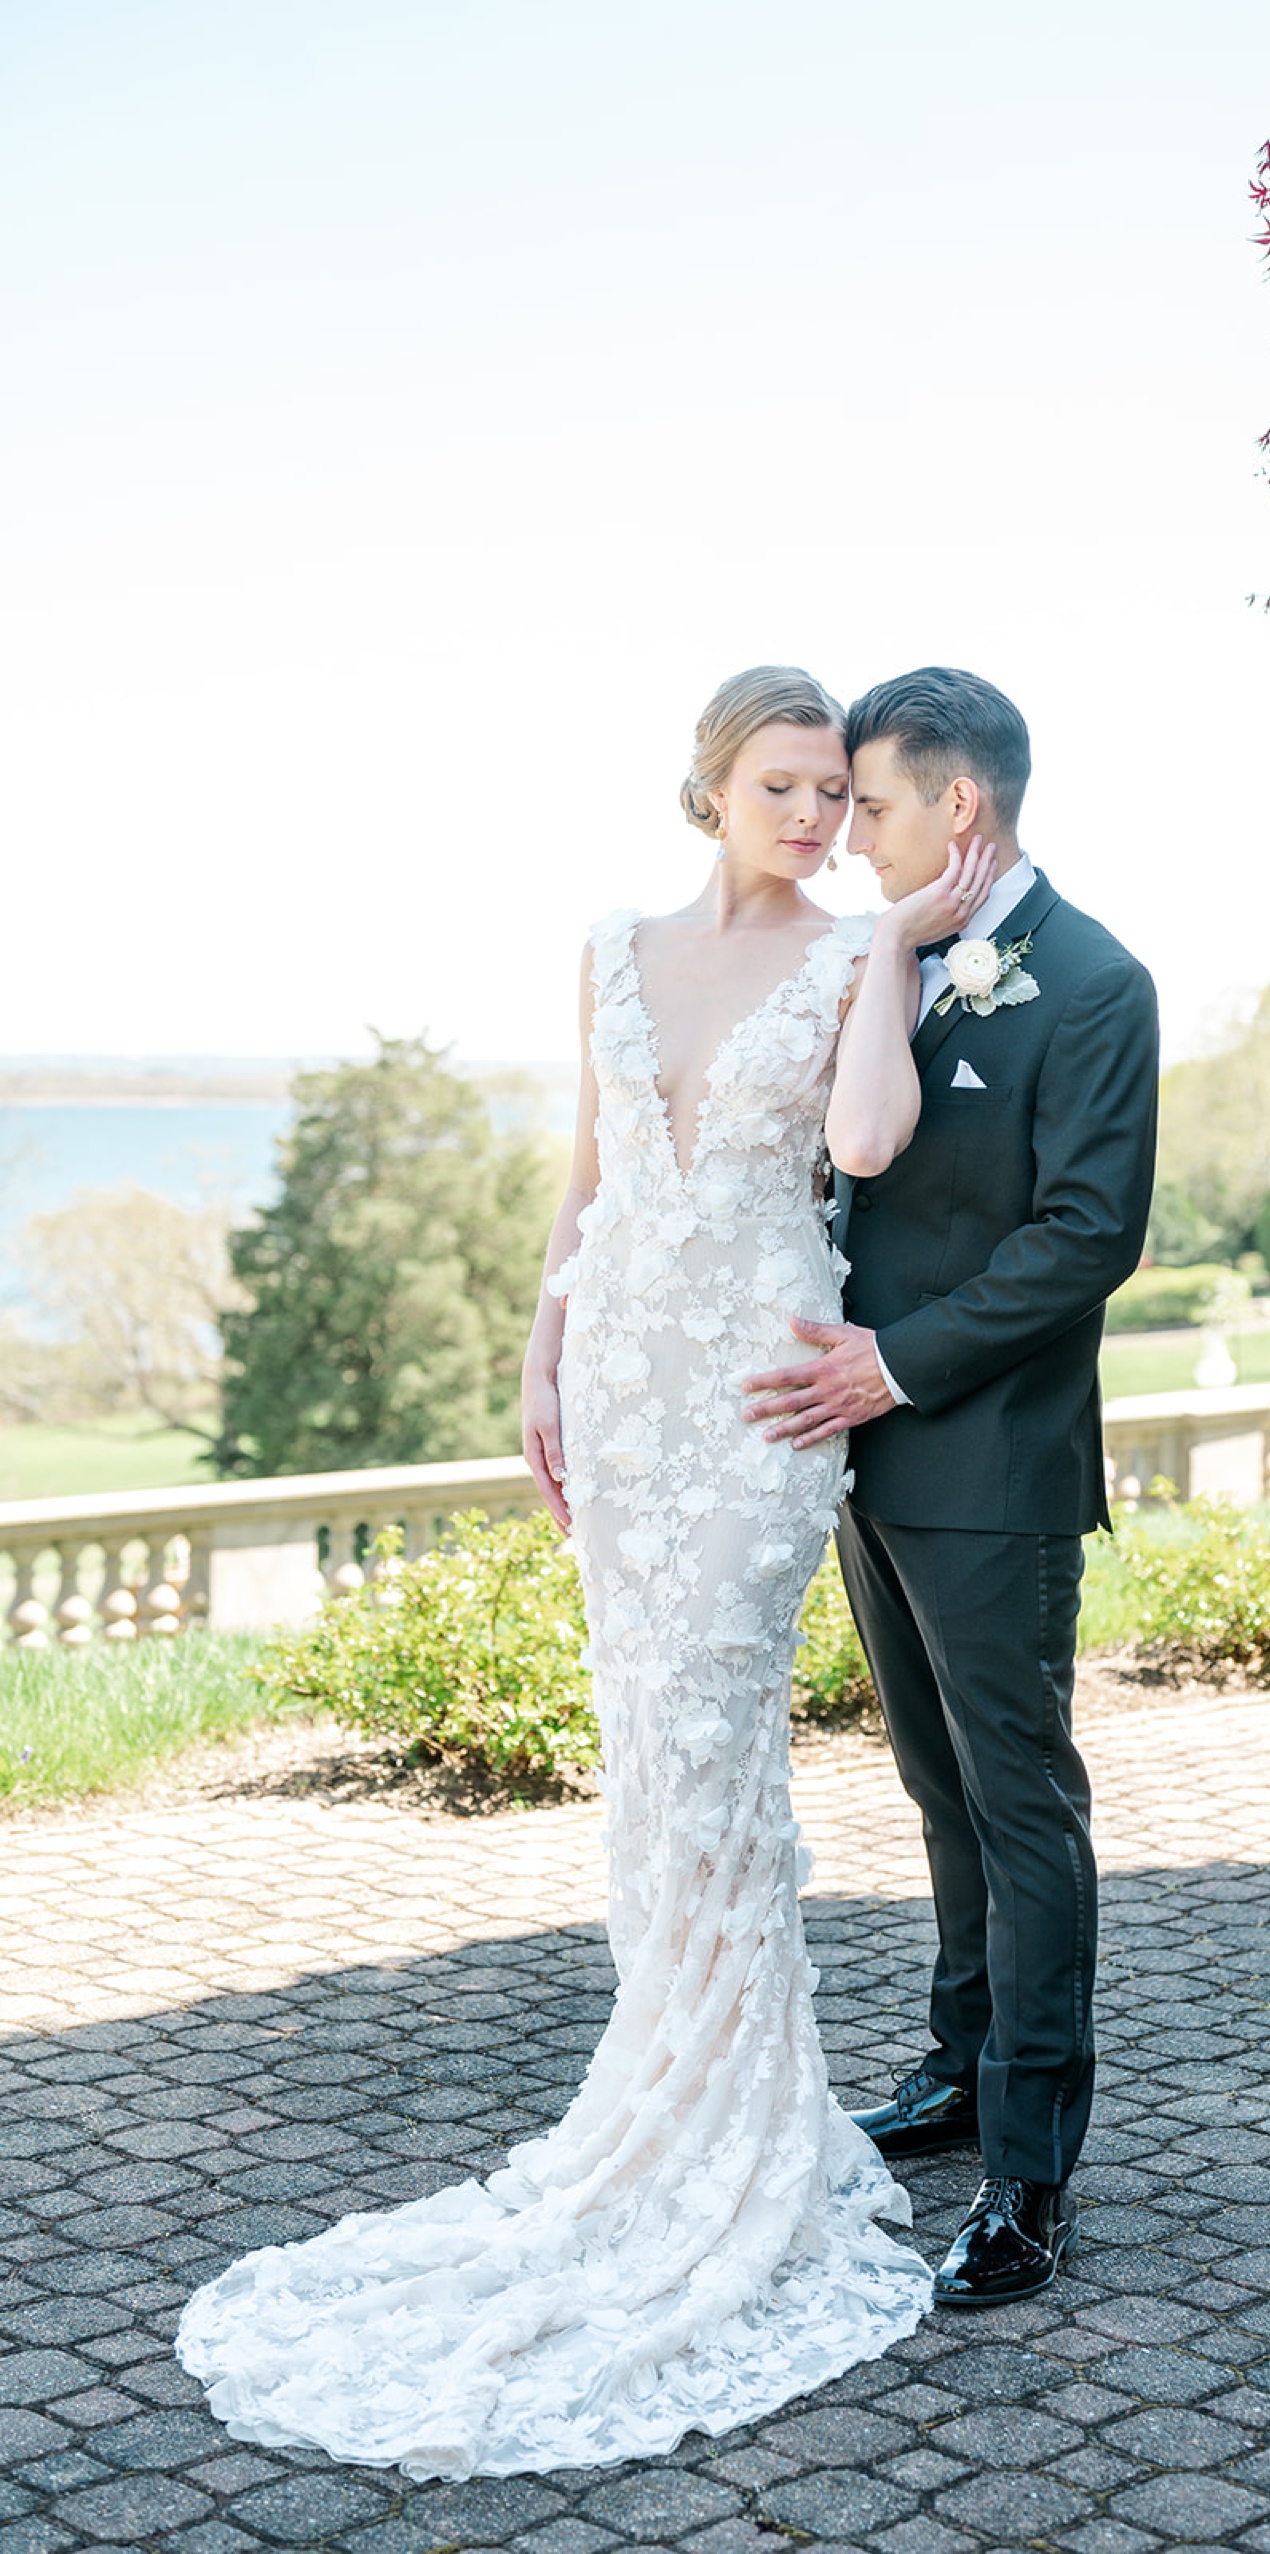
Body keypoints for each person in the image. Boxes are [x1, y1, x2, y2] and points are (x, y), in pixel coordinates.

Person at [175, 665, 996, 2477]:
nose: (813, 818)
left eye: (832, 794)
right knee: (648, 1750)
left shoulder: (856, 946)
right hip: (623, 1374)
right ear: (710, 787)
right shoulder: (610, 946)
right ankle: (665, 2090)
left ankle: (732, 2134)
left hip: (759, 1400)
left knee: (718, 1741)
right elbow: (590, 1171)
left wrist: (887, 945)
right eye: (782, 785)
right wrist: (544, 1352)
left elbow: (862, 1144)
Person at [744, 666, 1159, 2308]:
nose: (851, 838)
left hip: (988, 1463)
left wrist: (895, 1363)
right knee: (933, 1785)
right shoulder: (886, 959)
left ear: (960, 808)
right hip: (863, 1455)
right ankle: (957, 2065)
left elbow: (1086, 1237)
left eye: (880, 805)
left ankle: (1034, 2168)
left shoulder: (1098, 982)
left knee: (1022, 1800)